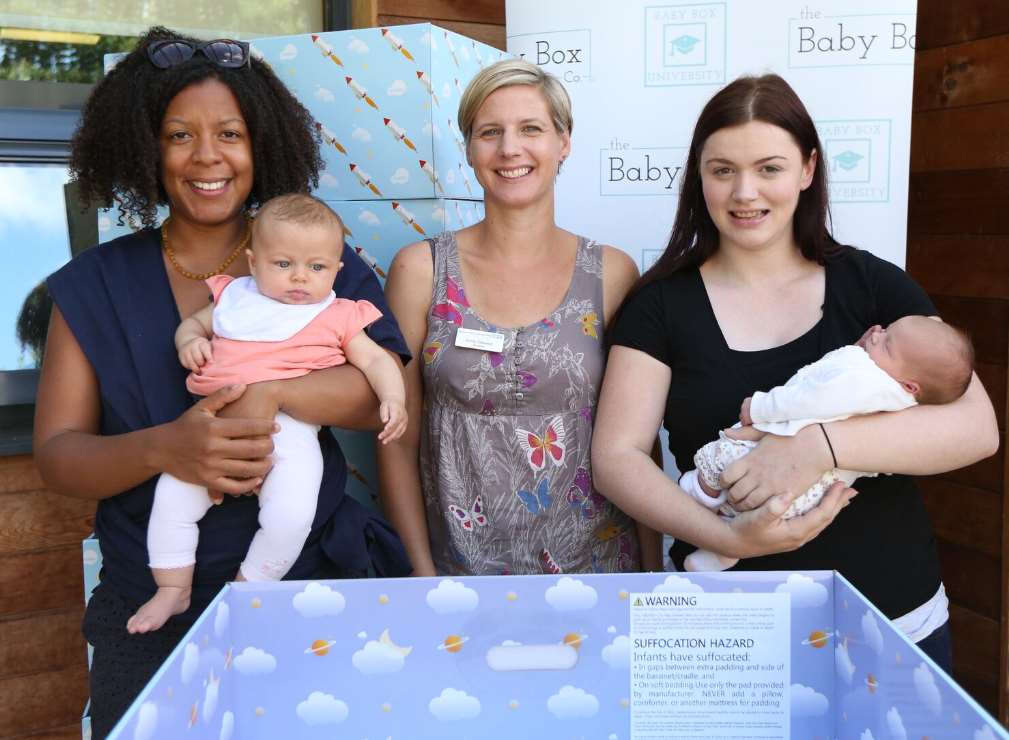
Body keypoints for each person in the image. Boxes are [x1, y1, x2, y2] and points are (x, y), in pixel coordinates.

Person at [33, 28, 410, 736]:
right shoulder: (96, 284)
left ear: (262, 144)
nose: (207, 156)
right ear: (145, 147)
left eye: (230, 133)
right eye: (179, 135)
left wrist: (273, 396)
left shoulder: (316, 261)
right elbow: (57, 455)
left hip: (312, 582)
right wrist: (166, 449)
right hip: (150, 599)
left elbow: (376, 397)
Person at [592, 73, 998, 672]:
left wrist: (817, 447)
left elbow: (978, 429)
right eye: (722, 169)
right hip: (724, 634)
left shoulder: (871, 285)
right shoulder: (660, 306)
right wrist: (731, 540)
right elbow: (617, 457)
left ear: (807, 169)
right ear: (698, 176)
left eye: (769, 168)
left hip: (892, 626)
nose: (744, 191)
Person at [378, 58, 659, 577]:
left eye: (531, 128)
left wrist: (651, 568)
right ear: (468, 148)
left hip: (597, 572)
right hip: (458, 572)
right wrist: (421, 573)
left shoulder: (613, 274)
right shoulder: (420, 270)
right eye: (490, 132)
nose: (510, 148)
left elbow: (637, 443)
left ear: (564, 141)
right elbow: (399, 437)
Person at [129, 193, 407, 634]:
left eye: (317, 267)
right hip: (212, 429)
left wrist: (394, 398)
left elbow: (375, 361)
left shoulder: (336, 313)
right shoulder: (234, 298)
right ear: (254, 263)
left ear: (336, 271)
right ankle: (171, 586)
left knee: (292, 515)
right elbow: (194, 326)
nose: (300, 277)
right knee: (172, 500)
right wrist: (190, 343)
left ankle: (252, 587)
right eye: (283, 264)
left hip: (291, 431)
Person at [681, 315, 974, 572]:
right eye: (884, 329)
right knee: (756, 515)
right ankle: (721, 552)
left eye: (886, 344)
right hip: (810, 494)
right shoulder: (898, 396)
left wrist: (760, 407)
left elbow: (811, 397)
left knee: (727, 457)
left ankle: (697, 496)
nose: (876, 333)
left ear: (910, 385)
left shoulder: (868, 382)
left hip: (785, 456)